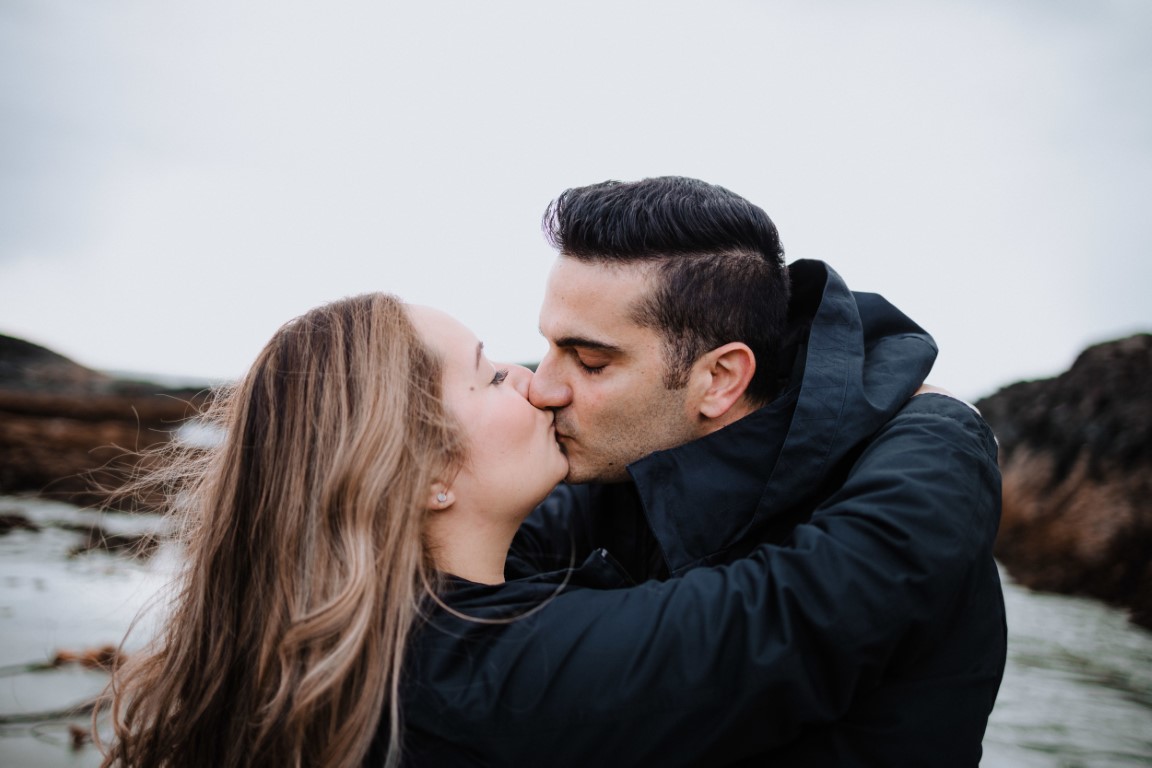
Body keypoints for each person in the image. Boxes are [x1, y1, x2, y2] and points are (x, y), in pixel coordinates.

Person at [100, 293, 1002, 768]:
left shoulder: (390, 631)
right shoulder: (496, 682)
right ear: (429, 476)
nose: (537, 383)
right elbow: (821, 599)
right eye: (492, 378)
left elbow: (590, 510)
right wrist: (944, 423)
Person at [512, 176, 1008, 766]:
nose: (541, 387)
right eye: (546, 347)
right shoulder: (614, 465)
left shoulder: (897, 500)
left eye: (590, 362)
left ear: (720, 379)